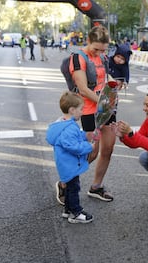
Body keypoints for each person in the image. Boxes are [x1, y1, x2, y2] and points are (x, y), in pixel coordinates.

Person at [56, 25, 117, 205]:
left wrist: (113, 86)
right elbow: (82, 89)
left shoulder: (103, 56)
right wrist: (102, 102)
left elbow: (106, 78)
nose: (99, 52)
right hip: (89, 110)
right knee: (91, 152)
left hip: (106, 106)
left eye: (103, 49)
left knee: (108, 149)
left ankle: (96, 186)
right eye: (96, 48)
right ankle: (65, 183)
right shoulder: (78, 58)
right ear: (88, 41)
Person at [46, 92, 96, 224]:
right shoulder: (69, 128)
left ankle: (67, 210)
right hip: (70, 164)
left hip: (66, 164)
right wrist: (89, 146)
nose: (83, 111)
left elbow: (75, 137)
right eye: (81, 109)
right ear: (72, 110)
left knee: (69, 187)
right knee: (74, 188)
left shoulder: (64, 123)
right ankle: (76, 212)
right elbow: (73, 146)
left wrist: (85, 136)